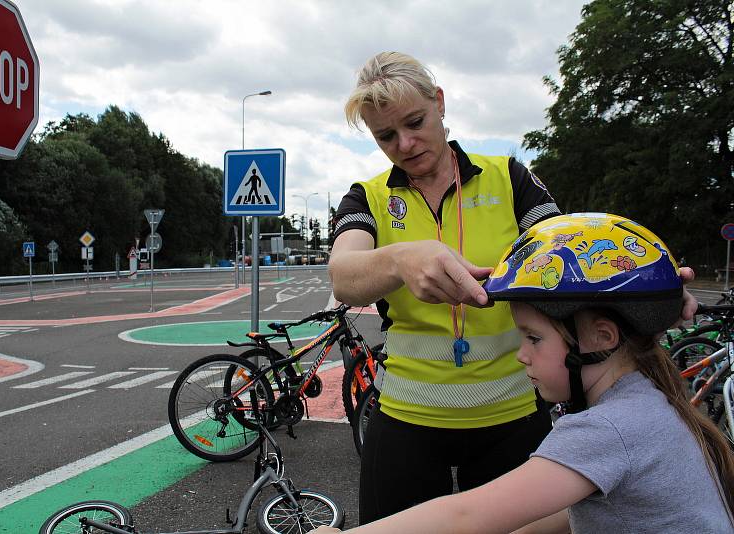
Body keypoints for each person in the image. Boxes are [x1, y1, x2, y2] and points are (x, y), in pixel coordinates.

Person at [328, 51, 699, 524]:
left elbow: (571, 256)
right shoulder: (368, 196)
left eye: (415, 121)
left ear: (439, 103)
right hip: (406, 418)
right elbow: (344, 276)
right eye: (385, 136)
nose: (405, 143)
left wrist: (652, 290)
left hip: (513, 415)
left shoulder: (509, 176)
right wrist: (400, 258)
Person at [314, 213, 733, 533]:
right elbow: (568, 514)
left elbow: (466, 513)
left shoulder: (607, 429)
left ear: (601, 338)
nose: (521, 356)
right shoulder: (647, 398)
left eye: (533, 338)